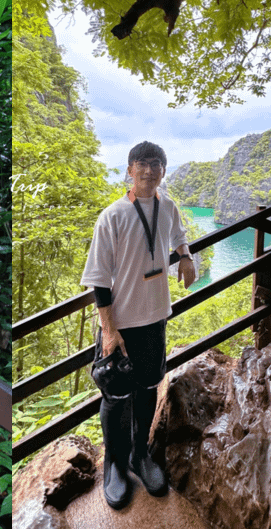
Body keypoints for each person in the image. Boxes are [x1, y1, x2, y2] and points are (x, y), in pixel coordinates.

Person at [80, 141, 196, 510]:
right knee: (115, 397)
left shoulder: (169, 206)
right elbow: (98, 278)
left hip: (155, 318)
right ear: (130, 169)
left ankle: (139, 455)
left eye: (156, 164)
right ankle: (114, 464)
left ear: (164, 170)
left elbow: (177, 235)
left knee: (147, 389)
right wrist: (109, 330)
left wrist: (186, 256)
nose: (149, 170)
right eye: (142, 164)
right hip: (121, 324)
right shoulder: (112, 215)